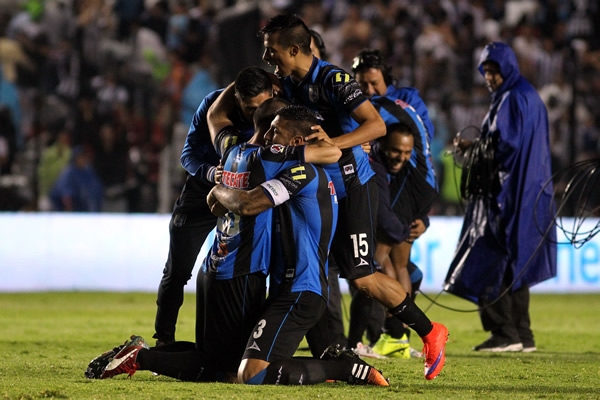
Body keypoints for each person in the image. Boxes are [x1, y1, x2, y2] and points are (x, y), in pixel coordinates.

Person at [86, 102, 388, 386]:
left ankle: (141, 353)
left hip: (227, 267)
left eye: (276, 130)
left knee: (225, 360)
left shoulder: (238, 153)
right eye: (272, 128)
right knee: (228, 368)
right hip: (244, 270)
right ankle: (142, 356)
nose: (272, 135)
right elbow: (330, 154)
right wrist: (343, 142)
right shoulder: (274, 159)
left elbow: (223, 198)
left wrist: (220, 188)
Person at [257, 13, 448, 380]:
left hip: (353, 186)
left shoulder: (334, 79)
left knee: (361, 276)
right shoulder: (287, 84)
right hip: (320, 186)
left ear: (294, 49)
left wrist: (334, 143)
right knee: (309, 267)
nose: (267, 58)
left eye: (271, 51)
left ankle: (430, 332)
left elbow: (375, 125)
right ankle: (331, 352)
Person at [444, 42, 557, 353]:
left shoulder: (510, 99)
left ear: (507, 68)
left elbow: (504, 147)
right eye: (486, 71)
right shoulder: (529, 95)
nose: (489, 77)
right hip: (532, 191)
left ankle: (504, 333)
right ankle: (523, 335)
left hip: (507, 193)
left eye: (494, 70)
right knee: (516, 265)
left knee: (487, 258)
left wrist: (471, 148)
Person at [152, 66, 273, 347]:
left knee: (260, 271)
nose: (256, 115)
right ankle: (164, 340)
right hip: (202, 193)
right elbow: (187, 155)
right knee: (177, 271)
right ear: (237, 99)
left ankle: (257, 342)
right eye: (249, 108)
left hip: (254, 197)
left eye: (260, 107)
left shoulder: (277, 110)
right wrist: (211, 174)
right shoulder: (213, 105)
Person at [49, 145, 103, 212]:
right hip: (68, 209)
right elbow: (64, 191)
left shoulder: (88, 171)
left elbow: (96, 188)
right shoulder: (69, 171)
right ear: (75, 158)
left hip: (84, 209)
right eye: (80, 157)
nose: (83, 159)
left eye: (84, 157)